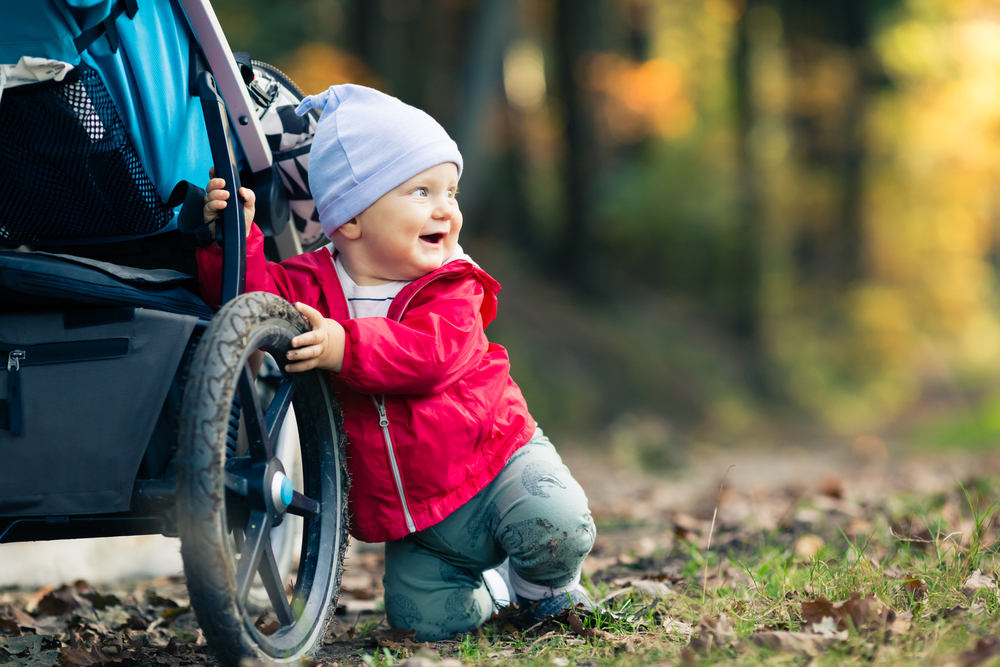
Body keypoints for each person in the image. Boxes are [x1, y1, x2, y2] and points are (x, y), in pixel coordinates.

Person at [197, 84, 596, 640]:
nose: (445, 209)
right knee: (425, 623)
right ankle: (494, 589)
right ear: (352, 220)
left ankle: (544, 590)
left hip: (496, 465)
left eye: (451, 192)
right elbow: (254, 303)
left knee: (557, 525)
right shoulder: (313, 284)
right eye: (421, 191)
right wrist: (233, 240)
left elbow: (433, 356)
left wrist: (345, 348)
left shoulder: (451, 283)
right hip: (421, 523)